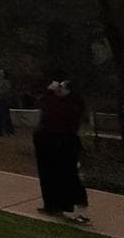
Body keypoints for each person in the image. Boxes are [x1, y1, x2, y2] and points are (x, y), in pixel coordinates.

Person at [33, 80, 90, 225]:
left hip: (65, 144)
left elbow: (51, 109)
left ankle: (79, 211)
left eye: (61, 87)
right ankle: (53, 205)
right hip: (49, 143)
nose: (58, 89)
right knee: (49, 174)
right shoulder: (61, 101)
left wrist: (50, 92)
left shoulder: (72, 104)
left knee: (69, 175)